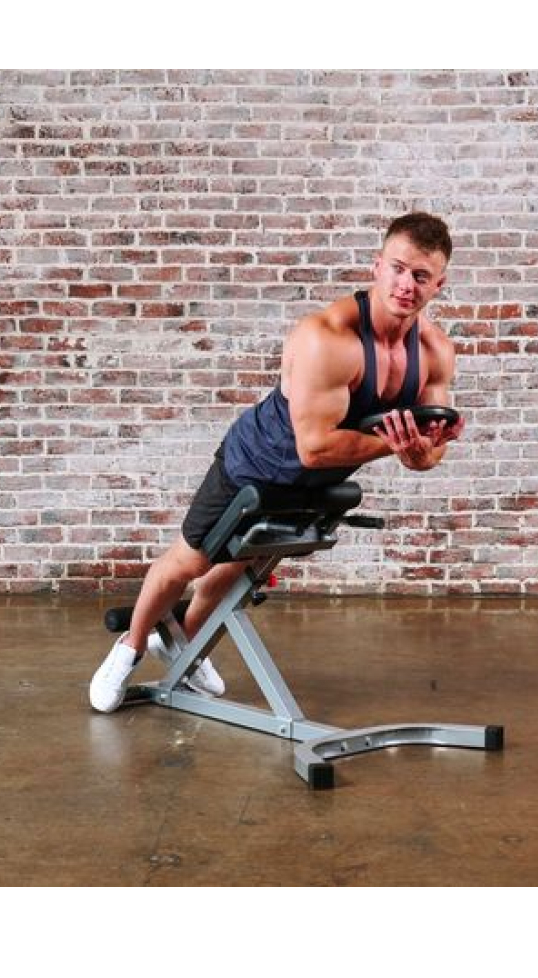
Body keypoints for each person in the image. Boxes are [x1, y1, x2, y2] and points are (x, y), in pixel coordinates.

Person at [90, 212, 466, 712]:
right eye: (397, 269)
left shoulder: (435, 351)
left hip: (320, 479)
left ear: (439, 284)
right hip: (256, 462)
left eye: (420, 276)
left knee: (243, 562)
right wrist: (396, 444)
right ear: (377, 266)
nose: (406, 285)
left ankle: (185, 643)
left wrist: (422, 451)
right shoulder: (327, 338)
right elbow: (314, 447)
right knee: (193, 561)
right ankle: (130, 647)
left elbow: (427, 452)